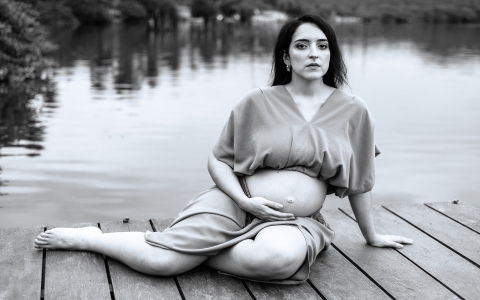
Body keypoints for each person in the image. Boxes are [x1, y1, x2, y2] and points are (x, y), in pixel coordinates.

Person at [33, 14, 412, 284]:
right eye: (302, 46)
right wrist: (244, 201)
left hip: (293, 220)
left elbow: (360, 182)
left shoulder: (354, 111)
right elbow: (218, 158)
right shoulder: (258, 101)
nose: (314, 53)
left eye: (322, 46)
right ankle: (92, 240)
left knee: (277, 260)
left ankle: (195, 255)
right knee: (161, 265)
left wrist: (372, 236)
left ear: (331, 56)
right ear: (286, 57)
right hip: (234, 202)